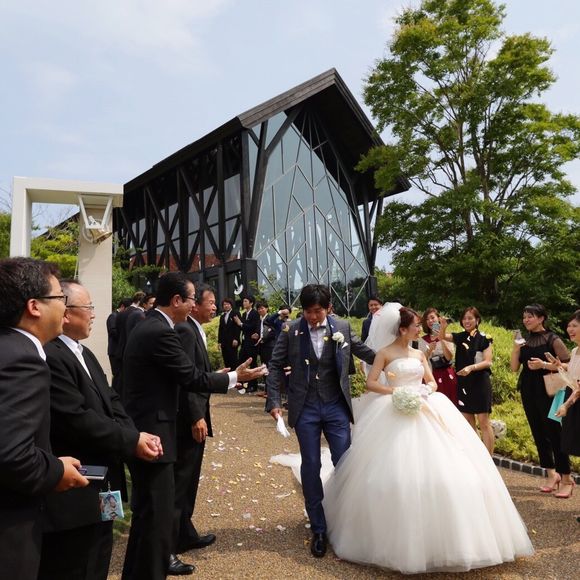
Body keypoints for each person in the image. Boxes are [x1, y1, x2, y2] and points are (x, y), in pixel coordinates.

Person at [322, 304, 534, 574]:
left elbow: (431, 381)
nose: (419, 329)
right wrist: (396, 393)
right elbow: (371, 382)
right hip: (393, 408)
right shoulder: (384, 353)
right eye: (415, 326)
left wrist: (425, 390)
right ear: (402, 329)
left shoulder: (419, 353)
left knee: (451, 468)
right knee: (390, 473)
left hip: (424, 406)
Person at [121, 273, 266, 580]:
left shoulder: (151, 325)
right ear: (177, 300)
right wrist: (235, 377)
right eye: (191, 300)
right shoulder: (161, 331)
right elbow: (191, 377)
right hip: (154, 432)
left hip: (149, 427)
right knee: (156, 514)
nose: (194, 306)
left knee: (148, 514)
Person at [39, 280, 162, 580]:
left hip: (102, 483)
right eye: (89, 307)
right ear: (66, 312)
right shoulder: (51, 356)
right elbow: (77, 419)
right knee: (76, 565)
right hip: (76, 491)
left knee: (99, 559)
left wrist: (135, 435)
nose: (94, 314)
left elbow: (112, 400)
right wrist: (132, 440)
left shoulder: (84, 353)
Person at [266, 284, 375, 558]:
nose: (313, 317)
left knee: (345, 461)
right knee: (311, 464)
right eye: (308, 311)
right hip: (305, 408)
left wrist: (397, 357)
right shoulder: (291, 330)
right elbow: (275, 365)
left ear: (328, 308)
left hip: (336, 405)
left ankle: (349, 520)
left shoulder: (343, 327)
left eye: (318, 311)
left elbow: (365, 352)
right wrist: (275, 402)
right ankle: (319, 528)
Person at [0, 258, 89, 579]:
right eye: (59, 297)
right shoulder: (22, 360)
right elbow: (12, 456)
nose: (65, 307)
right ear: (34, 306)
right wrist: (56, 470)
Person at [173, 283, 222, 564]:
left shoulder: (195, 329)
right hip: (188, 419)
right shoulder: (185, 330)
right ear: (195, 306)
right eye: (210, 302)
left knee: (190, 479)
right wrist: (196, 416)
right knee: (182, 480)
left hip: (196, 413)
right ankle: (171, 541)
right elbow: (185, 379)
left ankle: (185, 532)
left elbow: (198, 373)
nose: (214, 306)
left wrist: (216, 376)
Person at [510, 304, 572, 495]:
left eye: (530, 316)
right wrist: (515, 349)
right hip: (528, 389)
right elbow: (514, 368)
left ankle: (566, 478)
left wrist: (544, 364)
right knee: (538, 432)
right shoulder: (524, 341)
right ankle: (552, 474)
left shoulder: (552, 339)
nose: (526, 320)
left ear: (541, 318)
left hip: (550, 391)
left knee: (554, 432)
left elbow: (569, 366)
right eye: (524, 317)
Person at [439, 307, 494, 454]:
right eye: (464, 318)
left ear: (477, 320)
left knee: (483, 422)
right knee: (468, 421)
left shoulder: (484, 338)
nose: (467, 321)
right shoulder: (460, 336)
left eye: (470, 318)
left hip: (480, 382)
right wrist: (443, 326)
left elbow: (488, 361)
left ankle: (489, 458)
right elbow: (442, 336)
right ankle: (477, 455)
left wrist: (471, 367)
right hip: (463, 382)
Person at [555, 309, 580, 507]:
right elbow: (573, 379)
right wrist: (559, 366)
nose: (570, 329)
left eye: (575, 326)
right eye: (569, 325)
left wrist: (565, 404)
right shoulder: (574, 351)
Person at [418, 307, 458, 405]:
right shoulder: (422, 340)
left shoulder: (447, 337)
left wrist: (441, 337)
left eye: (432, 318)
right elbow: (421, 360)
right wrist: (429, 350)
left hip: (446, 374)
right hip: (430, 375)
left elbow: (449, 357)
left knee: (448, 403)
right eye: (427, 319)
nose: (430, 321)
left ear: (438, 319)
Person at [234, 295, 261, 393]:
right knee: (241, 361)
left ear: (251, 303)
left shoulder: (255, 313)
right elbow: (242, 327)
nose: (244, 303)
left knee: (252, 363)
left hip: (252, 343)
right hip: (244, 342)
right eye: (243, 301)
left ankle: (253, 385)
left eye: (246, 301)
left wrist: (240, 323)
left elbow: (252, 326)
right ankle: (241, 383)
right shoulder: (244, 314)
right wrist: (239, 324)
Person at [106, 297, 132, 380]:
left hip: (120, 351)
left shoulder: (121, 316)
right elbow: (113, 332)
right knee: (117, 375)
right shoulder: (113, 316)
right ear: (122, 306)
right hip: (114, 351)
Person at [217, 298, 240, 371]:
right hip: (224, 343)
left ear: (231, 305)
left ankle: (236, 377)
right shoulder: (222, 316)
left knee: (233, 361)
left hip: (232, 342)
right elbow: (220, 329)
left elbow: (238, 327)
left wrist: (236, 338)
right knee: (226, 361)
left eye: (228, 304)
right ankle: (229, 377)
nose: (226, 306)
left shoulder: (235, 313)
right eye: (224, 304)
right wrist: (219, 342)